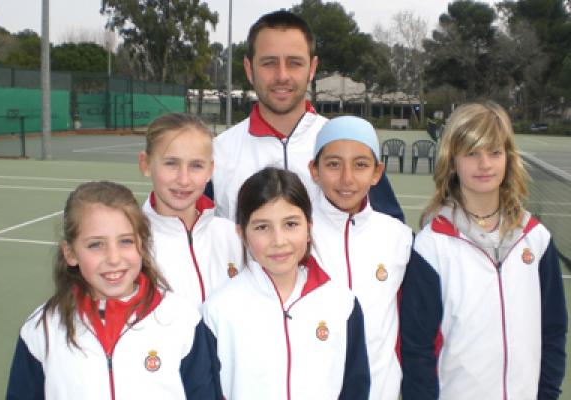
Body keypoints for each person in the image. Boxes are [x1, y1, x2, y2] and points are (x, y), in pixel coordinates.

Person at [399, 102, 568, 399]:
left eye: (494, 152)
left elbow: (552, 332)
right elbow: (417, 349)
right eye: (472, 153)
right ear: (452, 162)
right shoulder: (431, 246)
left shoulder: (536, 240)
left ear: (508, 158)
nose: (485, 164)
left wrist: (547, 394)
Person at [6, 181, 222, 399]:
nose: (114, 258)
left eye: (125, 241)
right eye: (96, 245)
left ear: (142, 244)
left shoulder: (182, 321)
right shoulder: (42, 329)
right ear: (70, 253)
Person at [212, 10, 403, 223]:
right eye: (269, 63)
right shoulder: (216, 154)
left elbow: (391, 235)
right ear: (249, 69)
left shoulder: (351, 147)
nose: (282, 76)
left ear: (312, 68)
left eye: (294, 63)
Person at [202, 167, 370, 400]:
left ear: (309, 229)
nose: (278, 241)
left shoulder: (342, 304)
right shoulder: (219, 309)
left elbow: (355, 387)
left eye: (291, 224)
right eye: (262, 227)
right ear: (242, 233)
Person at [308, 116, 413, 400]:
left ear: (377, 172)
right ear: (314, 170)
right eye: (333, 164)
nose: (347, 179)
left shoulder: (399, 237)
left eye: (360, 165)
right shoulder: (294, 234)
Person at [138, 113, 242, 309]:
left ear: (210, 170)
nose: (184, 179)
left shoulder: (233, 236)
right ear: (146, 164)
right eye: (171, 163)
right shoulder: (132, 244)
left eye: (196, 166)